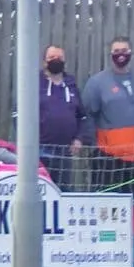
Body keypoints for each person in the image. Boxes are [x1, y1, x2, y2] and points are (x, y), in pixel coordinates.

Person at [80, 35, 134, 192]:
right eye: (116, 51)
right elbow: (88, 116)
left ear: (131, 53)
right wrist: (94, 147)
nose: (121, 54)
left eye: (124, 50)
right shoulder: (97, 83)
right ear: (110, 54)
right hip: (110, 159)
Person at [38, 44, 89, 189]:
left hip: (64, 152)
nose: (56, 60)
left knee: (62, 193)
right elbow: (18, 115)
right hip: (39, 151)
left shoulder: (71, 85)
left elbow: (82, 117)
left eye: (59, 58)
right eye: (52, 57)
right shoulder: (33, 83)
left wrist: (79, 139)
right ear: (44, 62)